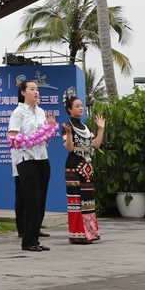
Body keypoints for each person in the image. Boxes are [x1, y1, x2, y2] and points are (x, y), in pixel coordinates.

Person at [8, 79, 56, 253]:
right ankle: (28, 240)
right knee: (31, 199)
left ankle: (35, 237)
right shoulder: (18, 112)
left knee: (41, 198)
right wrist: (25, 141)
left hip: (42, 157)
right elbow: (12, 137)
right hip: (26, 159)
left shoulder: (41, 112)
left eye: (37, 89)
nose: (36, 92)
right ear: (23, 92)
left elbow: (47, 139)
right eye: (32, 89)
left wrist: (50, 129)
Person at [63, 93, 105, 244]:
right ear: (69, 109)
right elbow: (69, 148)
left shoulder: (86, 127)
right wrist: (68, 134)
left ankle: (90, 233)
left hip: (87, 167)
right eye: (77, 106)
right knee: (76, 200)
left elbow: (96, 145)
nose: (81, 108)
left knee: (88, 201)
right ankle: (78, 234)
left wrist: (101, 129)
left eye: (81, 106)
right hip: (74, 167)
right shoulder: (68, 126)